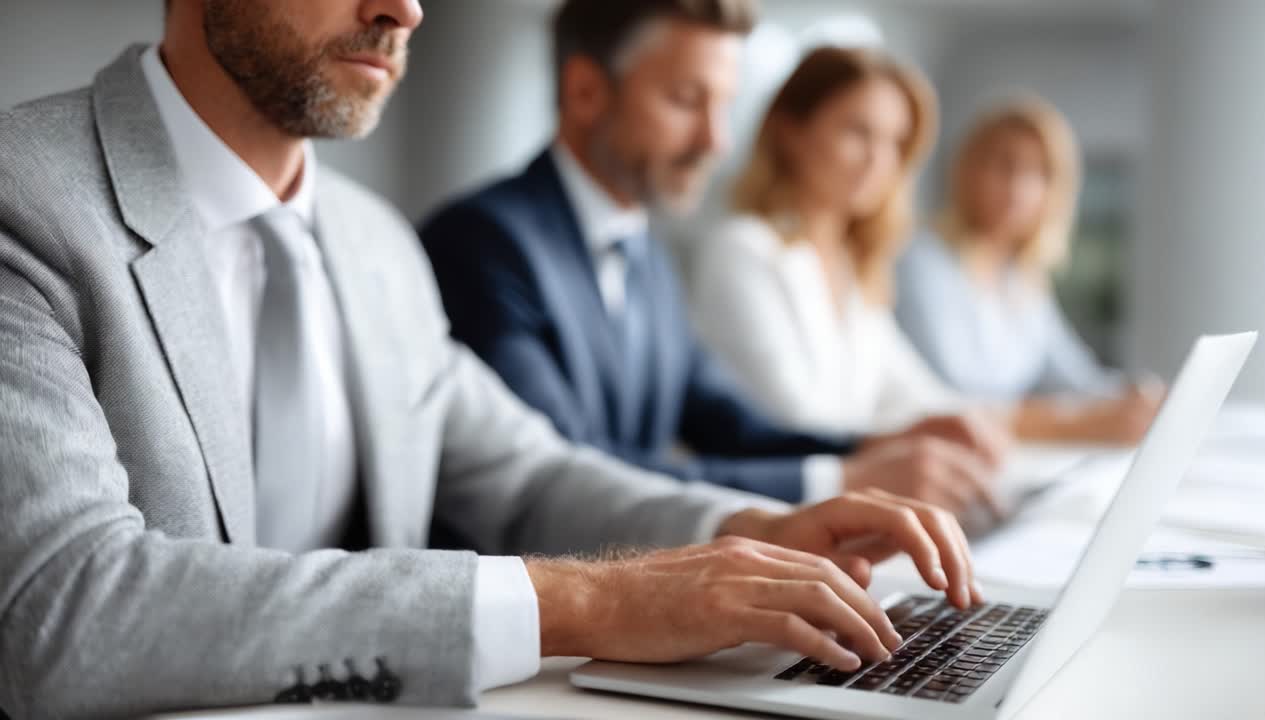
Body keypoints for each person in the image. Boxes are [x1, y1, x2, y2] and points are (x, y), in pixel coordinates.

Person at [0, 1, 988, 717]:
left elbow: (523, 474)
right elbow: (64, 611)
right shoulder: (27, 201)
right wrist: (592, 600)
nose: (403, 11)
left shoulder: (377, 244)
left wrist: (761, 536)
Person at [419, 0, 1005, 512]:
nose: (716, 141)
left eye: (722, 105)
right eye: (686, 99)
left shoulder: (646, 252)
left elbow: (727, 421)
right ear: (585, 92)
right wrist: (837, 479)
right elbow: (567, 474)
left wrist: (872, 449)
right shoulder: (482, 244)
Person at [692, 46, 982, 447]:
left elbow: (918, 395)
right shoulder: (743, 250)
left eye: (896, 142)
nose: (878, 160)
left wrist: (974, 429)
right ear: (790, 131)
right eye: (857, 132)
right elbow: (794, 421)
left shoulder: (856, 266)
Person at [895, 98, 1163, 445]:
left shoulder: (1022, 279)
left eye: (1040, 173)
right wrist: (1071, 425)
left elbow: (1074, 378)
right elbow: (952, 398)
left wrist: (1136, 396)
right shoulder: (919, 260)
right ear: (966, 170)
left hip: (1010, 451)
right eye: (1004, 165)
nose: (1018, 188)